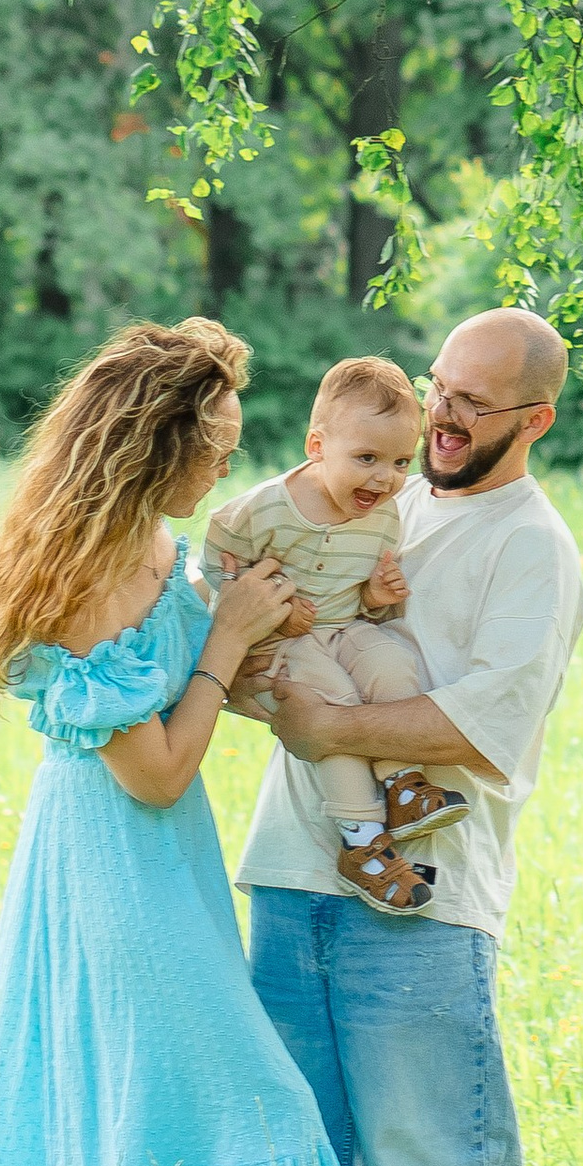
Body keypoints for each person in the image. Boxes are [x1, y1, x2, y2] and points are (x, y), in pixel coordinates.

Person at [0, 316, 384, 1166]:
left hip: (169, 864)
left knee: (161, 1102)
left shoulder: (161, 546)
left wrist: (293, 630)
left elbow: (200, 696)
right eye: (214, 447)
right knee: (253, 1096)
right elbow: (155, 771)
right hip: (111, 864)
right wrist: (226, 639)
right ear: (155, 444)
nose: (224, 469)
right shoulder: (84, 576)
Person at [230, 305, 583, 1166]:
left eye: (475, 402)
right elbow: (268, 639)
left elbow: (491, 725)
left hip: (422, 905)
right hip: (293, 875)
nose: (444, 414)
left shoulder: (531, 547)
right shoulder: (371, 485)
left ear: (534, 420)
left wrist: (332, 727)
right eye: (441, 385)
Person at [200, 353, 466, 920]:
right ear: (317, 446)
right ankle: (361, 842)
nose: (384, 478)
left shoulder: (383, 516)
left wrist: (375, 595)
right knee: (332, 709)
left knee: (391, 662)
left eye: (399, 461)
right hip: (282, 645)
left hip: (344, 627)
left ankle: (402, 783)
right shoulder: (262, 510)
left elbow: (356, 597)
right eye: (366, 458)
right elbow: (221, 571)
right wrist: (274, 609)